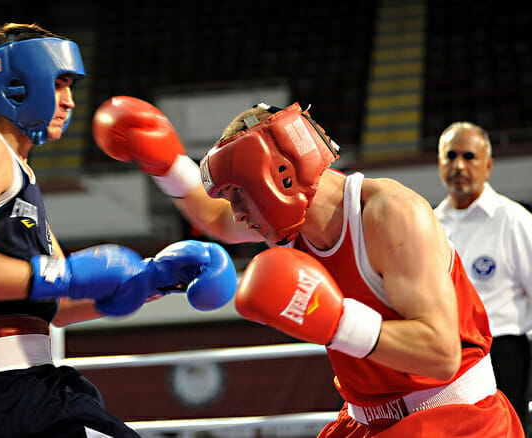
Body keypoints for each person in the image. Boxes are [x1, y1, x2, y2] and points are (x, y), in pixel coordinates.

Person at [92, 96, 524, 437]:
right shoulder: (288, 223)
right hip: (367, 421)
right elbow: (214, 219)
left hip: (453, 420)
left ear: (276, 175)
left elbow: (441, 354)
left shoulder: (391, 213)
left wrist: (335, 322)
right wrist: (166, 163)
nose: (236, 212)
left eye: (239, 193)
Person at [0, 24, 237, 438]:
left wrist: (150, 278)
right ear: (16, 82)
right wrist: (70, 274)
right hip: (0, 385)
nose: (69, 101)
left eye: (71, 86)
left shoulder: (16, 172)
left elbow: (60, 304)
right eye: (59, 83)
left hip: (13, 384)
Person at [435, 121, 532, 434]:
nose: (459, 165)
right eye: (450, 156)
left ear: (488, 166)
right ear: (439, 163)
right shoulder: (429, 225)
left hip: (504, 353)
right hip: (445, 356)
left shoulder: (514, 220)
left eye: (469, 156)